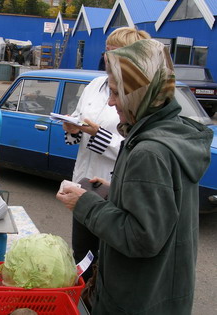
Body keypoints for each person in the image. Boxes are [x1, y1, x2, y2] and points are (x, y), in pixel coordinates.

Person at [57, 39, 213, 314]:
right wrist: (116, 189)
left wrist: (85, 204)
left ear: (141, 94)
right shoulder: (169, 131)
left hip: (136, 299)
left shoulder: (150, 151)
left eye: (117, 93)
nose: (110, 100)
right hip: (162, 291)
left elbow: (141, 237)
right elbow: (164, 206)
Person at [62, 27, 150, 281]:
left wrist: (98, 133)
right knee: (82, 251)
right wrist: (73, 128)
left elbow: (133, 146)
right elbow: (79, 126)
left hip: (112, 187)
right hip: (85, 181)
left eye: (114, 52)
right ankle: (84, 298)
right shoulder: (94, 85)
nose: (106, 57)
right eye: (106, 51)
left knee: (107, 257)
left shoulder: (137, 92)